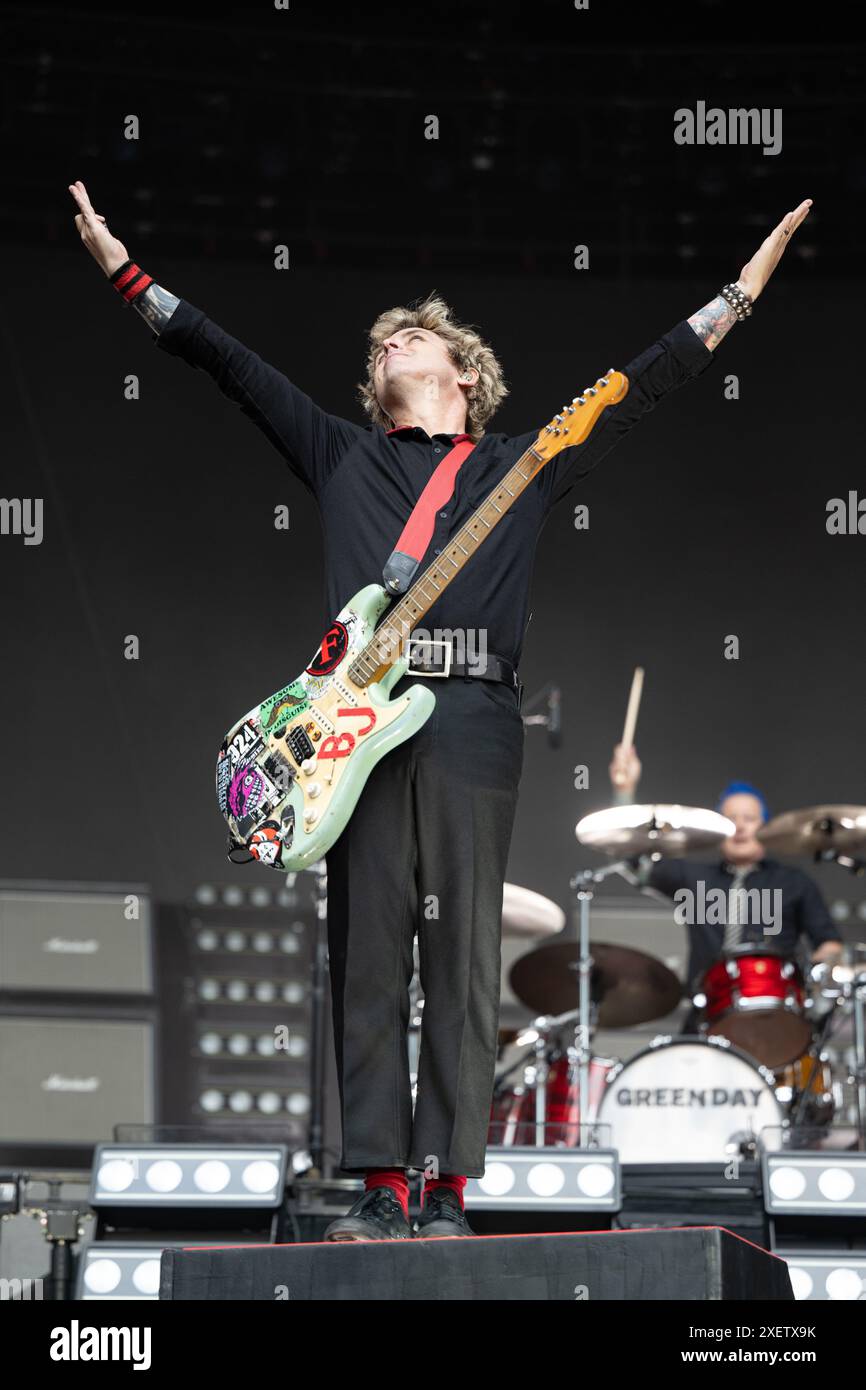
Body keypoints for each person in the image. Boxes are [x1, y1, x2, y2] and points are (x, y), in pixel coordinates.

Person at [70, 178, 812, 1240]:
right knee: (369, 948)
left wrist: (739, 292)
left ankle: (448, 1190)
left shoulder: (520, 466)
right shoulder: (339, 452)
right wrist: (123, 268)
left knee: (462, 954)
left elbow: (638, 385)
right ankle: (378, 1183)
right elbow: (223, 361)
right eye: (380, 343)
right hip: (355, 726)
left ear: (461, 373)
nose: (389, 345)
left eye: (411, 336)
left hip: (471, 717)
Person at [608, 743, 843, 1029]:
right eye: (731, 819)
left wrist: (819, 974)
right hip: (707, 1017)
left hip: (776, 1018)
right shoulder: (694, 878)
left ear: (765, 827)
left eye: (749, 818)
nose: (740, 826)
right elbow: (632, 859)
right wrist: (624, 790)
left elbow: (828, 942)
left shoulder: (794, 882)